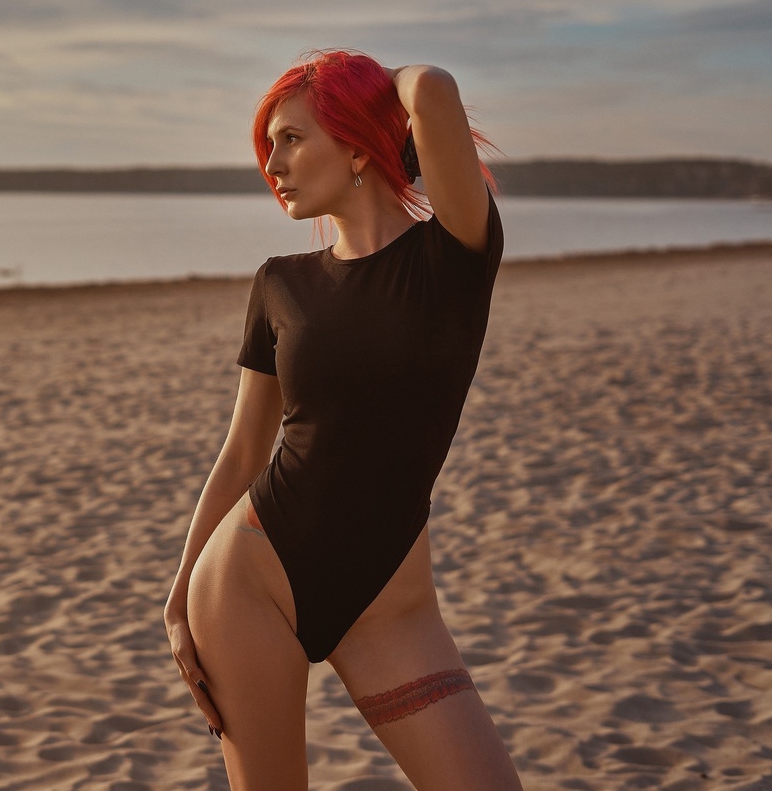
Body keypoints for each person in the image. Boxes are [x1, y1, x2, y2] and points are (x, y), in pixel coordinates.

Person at [163, 50, 524, 790]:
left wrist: (361, 88)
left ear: (358, 142)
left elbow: (433, 89)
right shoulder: (280, 285)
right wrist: (179, 597)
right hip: (249, 585)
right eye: (268, 146)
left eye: (292, 138)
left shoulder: (452, 255)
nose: (273, 163)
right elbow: (241, 456)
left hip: (391, 609)